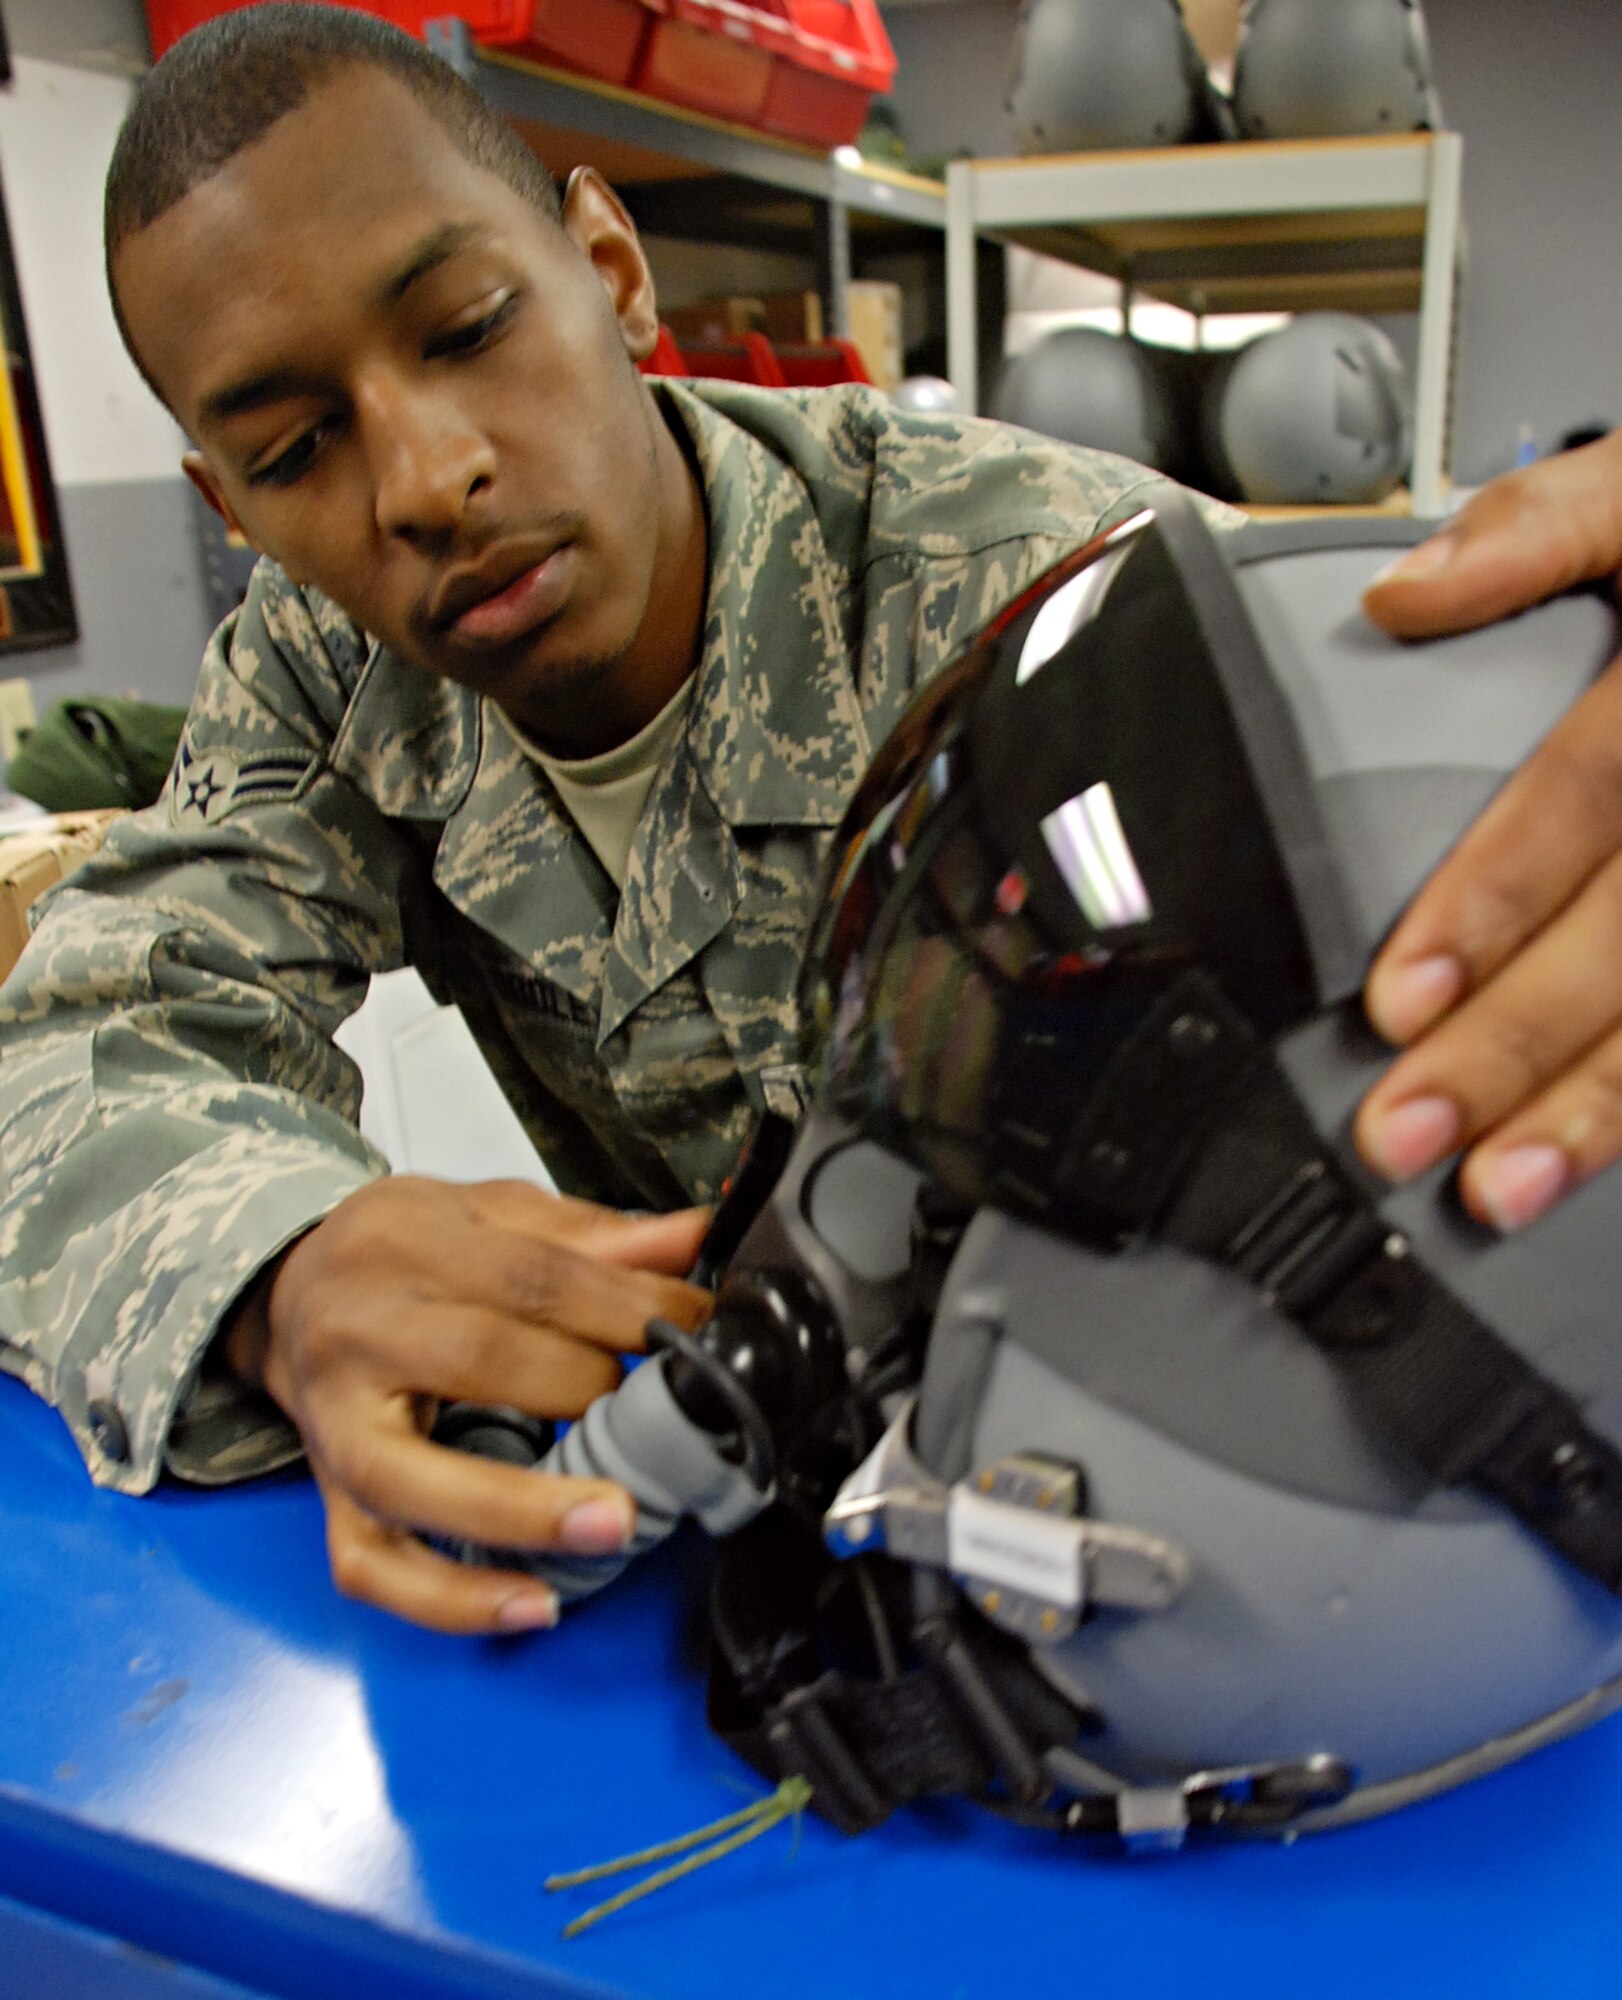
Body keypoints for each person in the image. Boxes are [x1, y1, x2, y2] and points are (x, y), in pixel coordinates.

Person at [0, 6, 1617, 1642]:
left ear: (612, 274)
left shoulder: (1054, 603)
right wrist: (277, 1271)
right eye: (293, 449)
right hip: (739, 1561)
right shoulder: (327, 668)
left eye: (470, 324)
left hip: (1214, 1558)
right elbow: (68, 1044)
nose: (422, 478)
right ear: (230, 506)